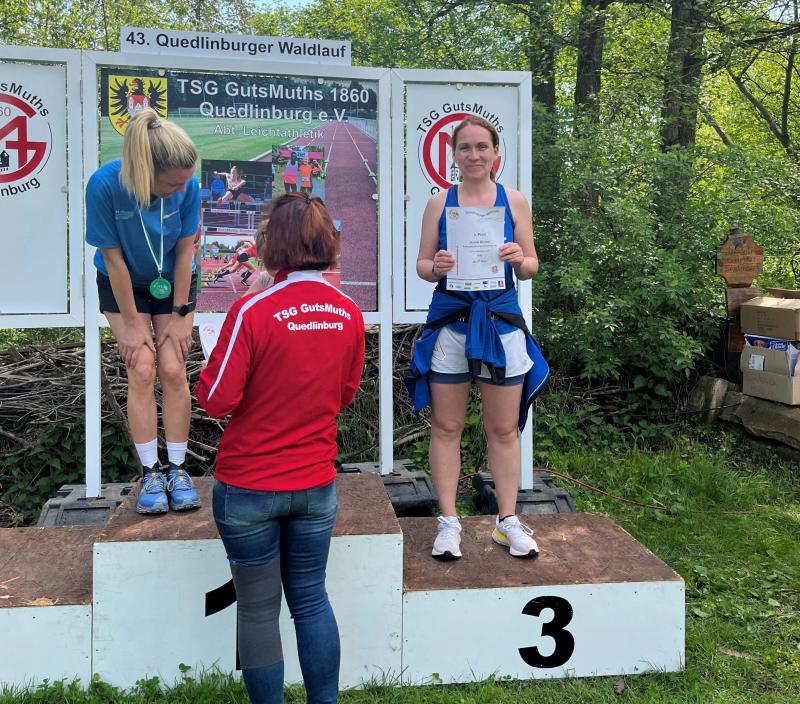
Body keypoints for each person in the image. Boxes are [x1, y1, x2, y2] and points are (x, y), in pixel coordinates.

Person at [196, 192, 365, 704]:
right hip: (315, 482)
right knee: (311, 599)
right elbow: (345, 394)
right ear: (328, 243)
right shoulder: (348, 310)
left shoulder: (252, 309)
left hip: (249, 485)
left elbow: (216, 400)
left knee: (257, 608)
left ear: (272, 244)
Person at [405, 116, 549, 560]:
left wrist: (518, 257)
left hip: (500, 323)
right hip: (452, 322)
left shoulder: (514, 201)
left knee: (503, 429)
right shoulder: (439, 203)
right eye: (465, 147)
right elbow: (422, 265)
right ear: (454, 154)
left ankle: (507, 521)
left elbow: (531, 266)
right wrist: (437, 267)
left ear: (495, 152)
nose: (473, 155)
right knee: (447, 426)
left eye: (481, 147)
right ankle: (449, 522)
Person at [85, 108, 201, 514]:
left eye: (185, 182)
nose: (181, 189)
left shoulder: (188, 184)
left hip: (171, 280)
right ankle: (151, 472)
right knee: (142, 367)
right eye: (172, 183)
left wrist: (181, 313)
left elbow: (186, 251)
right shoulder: (103, 185)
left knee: (172, 366)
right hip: (122, 282)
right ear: (146, 170)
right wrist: (134, 325)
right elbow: (112, 259)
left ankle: (178, 469)